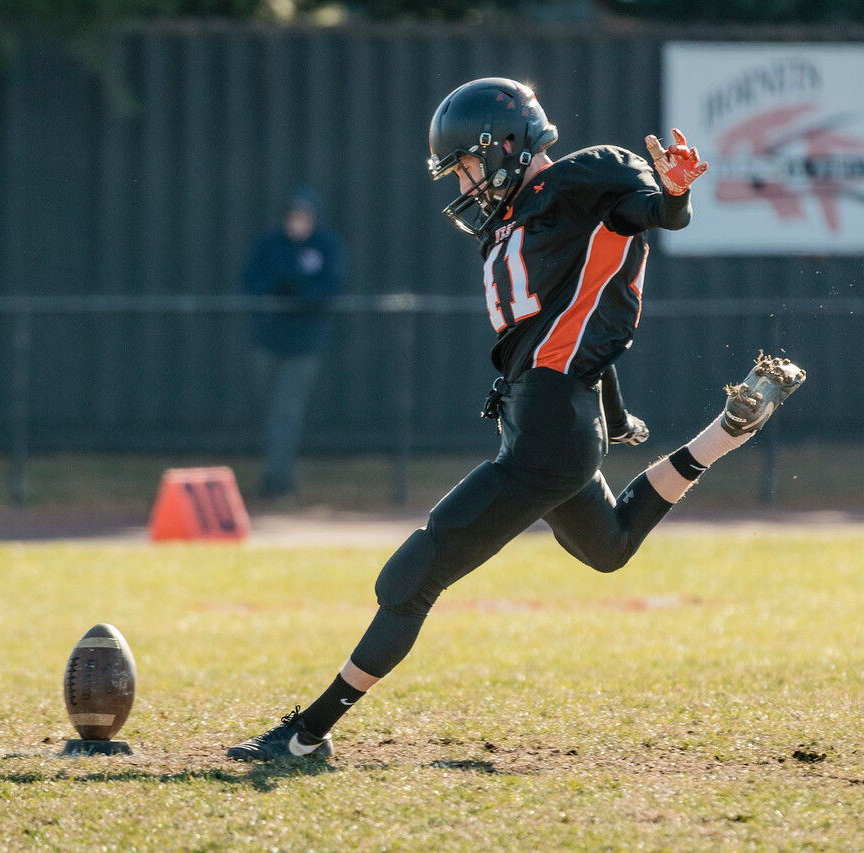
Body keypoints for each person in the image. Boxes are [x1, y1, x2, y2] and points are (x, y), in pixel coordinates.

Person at [227, 78, 806, 761]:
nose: (464, 183)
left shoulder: (578, 181)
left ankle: (306, 735)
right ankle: (725, 434)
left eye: (467, 165)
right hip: (549, 418)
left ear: (506, 144)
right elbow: (570, 319)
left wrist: (674, 194)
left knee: (412, 576)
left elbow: (649, 214)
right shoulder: (518, 220)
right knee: (609, 546)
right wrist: (615, 414)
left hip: (549, 432)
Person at [243, 187, 345, 498]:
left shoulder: (326, 246)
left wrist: (300, 293)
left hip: (303, 347)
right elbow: (252, 281)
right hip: (268, 343)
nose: (298, 223)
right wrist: (281, 288)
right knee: (271, 413)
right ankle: (275, 477)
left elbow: (329, 286)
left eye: (305, 217)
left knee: (286, 413)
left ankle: (277, 482)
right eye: (294, 216)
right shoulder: (270, 245)